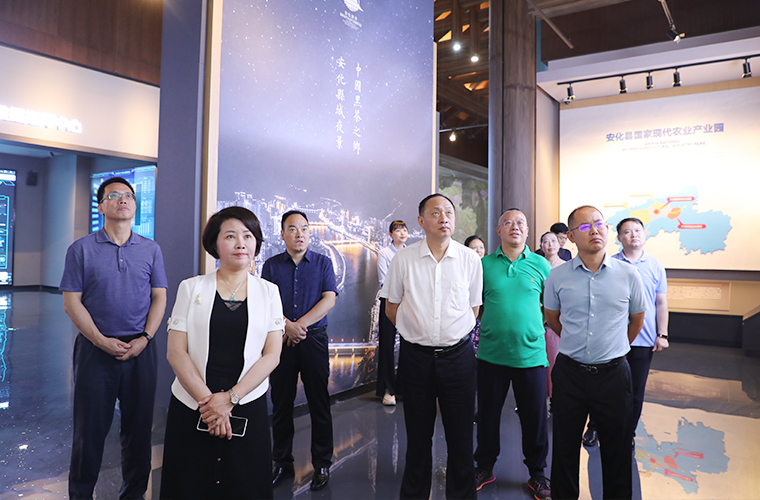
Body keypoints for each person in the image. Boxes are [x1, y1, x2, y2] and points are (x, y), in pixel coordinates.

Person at [160, 207, 284, 499]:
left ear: (256, 243)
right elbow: (176, 352)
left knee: (244, 485)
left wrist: (230, 399)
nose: (241, 243)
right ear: (215, 244)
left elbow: (272, 355)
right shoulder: (191, 288)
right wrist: (210, 405)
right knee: (189, 485)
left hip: (246, 401)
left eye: (248, 236)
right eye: (230, 236)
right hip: (193, 402)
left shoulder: (269, 292)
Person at [60, 177, 167, 500]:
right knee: (89, 433)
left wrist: (145, 338)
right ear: (101, 206)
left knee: (138, 431)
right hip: (95, 351)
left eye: (128, 196)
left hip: (141, 349)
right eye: (114, 195)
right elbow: (72, 302)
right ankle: (81, 495)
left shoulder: (150, 249)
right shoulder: (81, 249)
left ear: (135, 205)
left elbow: (159, 297)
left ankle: (134, 494)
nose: (123, 200)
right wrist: (100, 340)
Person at [381, 193, 483, 500]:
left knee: (461, 439)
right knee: (417, 439)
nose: (444, 218)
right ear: (421, 221)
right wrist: (418, 332)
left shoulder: (469, 259)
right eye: (435, 213)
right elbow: (391, 308)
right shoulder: (404, 259)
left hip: (458, 358)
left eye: (449, 212)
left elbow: (474, 308)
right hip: (416, 359)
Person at [544, 205, 646, 500]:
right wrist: (577, 343)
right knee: (564, 448)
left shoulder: (628, 274)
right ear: (571, 236)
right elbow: (553, 318)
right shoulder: (557, 276)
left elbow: (636, 320)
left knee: (617, 448)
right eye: (585, 226)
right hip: (570, 374)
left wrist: (611, 347)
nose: (595, 230)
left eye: (599, 223)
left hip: (613, 375)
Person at [474, 210, 552, 500]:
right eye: (508, 223)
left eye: (520, 223)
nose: (514, 227)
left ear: (528, 231)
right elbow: (477, 305)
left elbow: (550, 307)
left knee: (535, 418)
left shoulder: (541, 265)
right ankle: (484, 467)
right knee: (487, 415)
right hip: (491, 354)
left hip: (530, 356)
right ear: (498, 230)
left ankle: (538, 473)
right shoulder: (484, 265)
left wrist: (530, 329)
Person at [264, 210, 337, 491]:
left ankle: (322, 463)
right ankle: (282, 462)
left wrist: (298, 327)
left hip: (313, 339)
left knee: (319, 403)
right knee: (281, 403)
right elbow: (267, 303)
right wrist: (287, 326)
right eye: (293, 229)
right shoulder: (271, 266)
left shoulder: (323, 263)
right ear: (282, 234)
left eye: (304, 229)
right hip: (280, 340)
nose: (300, 234)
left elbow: (328, 300)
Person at [582, 217, 669, 448]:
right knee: (603, 387)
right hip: (611, 338)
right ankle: (594, 427)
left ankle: (627, 432)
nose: (634, 235)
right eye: (628, 231)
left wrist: (662, 334)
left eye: (638, 230)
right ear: (619, 237)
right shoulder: (609, 263)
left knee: (635, 390)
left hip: (643, 339)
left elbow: (661, 303)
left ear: (644, 234)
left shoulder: (656, 266)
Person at [376, 220, 408, 406]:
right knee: (387, 345)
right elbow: (384, 281)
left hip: (409, 302)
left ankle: (403, 387)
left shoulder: (410, 253)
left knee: (409, 344)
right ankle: (388, 389)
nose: (402, 233)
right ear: (391, 235)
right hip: (389, 301)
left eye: (404, 230)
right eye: (397, 230)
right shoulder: (384, 253)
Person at [539, 231, 564, 405]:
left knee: (555, 362)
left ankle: (556, 400)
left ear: (559, 244)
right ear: (541, 246)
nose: (550, 245)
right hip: (538, 322)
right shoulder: (537, 265)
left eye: (553, 241)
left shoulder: (566, 267)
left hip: (556, 323)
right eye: (546, 242)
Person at [464, 235, 486, 352]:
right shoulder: (463, 267)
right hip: (469, 314)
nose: (478, 250)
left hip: (485, 314)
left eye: (481, 247)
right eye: (474, 247)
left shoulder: (487, 266)